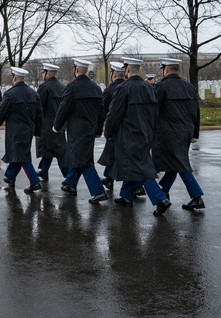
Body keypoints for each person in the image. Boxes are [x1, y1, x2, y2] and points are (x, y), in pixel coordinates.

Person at [104, 57, 172, 216]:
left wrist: (108, 132)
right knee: (135, 164)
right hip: (146, 133)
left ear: (127, 69)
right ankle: (126, 196)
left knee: (141, 168)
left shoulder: (123, 88)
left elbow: (114, 114)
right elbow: (156, 113)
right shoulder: (149, 88)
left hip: (129, 135)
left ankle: (160, 199)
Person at [52, 58, 108, 204]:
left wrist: (56, 126)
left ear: (76, 70)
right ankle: (70, 184)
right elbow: (101, 112)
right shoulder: (96, 88)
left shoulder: (71, 87)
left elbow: (63, 109)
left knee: (84, 161)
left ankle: (98, 191)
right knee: (80, 157)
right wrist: (98, 129)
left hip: (77, 130)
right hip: (90, 129)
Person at [153, 58, 205, 211]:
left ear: (166, 70)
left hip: (169, 132)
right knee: (174, 163)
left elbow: (154, 111)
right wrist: (195, 132)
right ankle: (163, 190)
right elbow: (196, 111)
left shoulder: (161, 87)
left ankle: (196, 197)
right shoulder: (189, 87)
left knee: (180, 164)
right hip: (186, 131)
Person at [0, 67, 43, 194]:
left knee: (22, 156)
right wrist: (37, 130)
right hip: (29, 129)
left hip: (16, 130)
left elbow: (2, 113)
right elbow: (39, 114)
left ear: (14, 78)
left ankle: (35, 181)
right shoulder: (33, 93)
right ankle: (10, 176)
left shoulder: (10, 94)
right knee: (20, 153)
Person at [97, 61, 126, 190]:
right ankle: (109, 178)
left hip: (115, 127)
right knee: (113, 154)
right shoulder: (128, 86)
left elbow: (104, 110)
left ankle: (136, 185)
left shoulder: (110, 90)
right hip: (129, 127)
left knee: (115, 154)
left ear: (113, 74)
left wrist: (103, 127)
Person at [36, 63, 67, 180]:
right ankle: (44, 171)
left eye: (44, 72)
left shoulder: (44, 87)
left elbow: (39, 107)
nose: (43, 75)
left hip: (47, 124)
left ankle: (68, 177)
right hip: (60, 123)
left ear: (47, 74)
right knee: (50, 149)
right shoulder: (62, 87)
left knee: (57, 152)